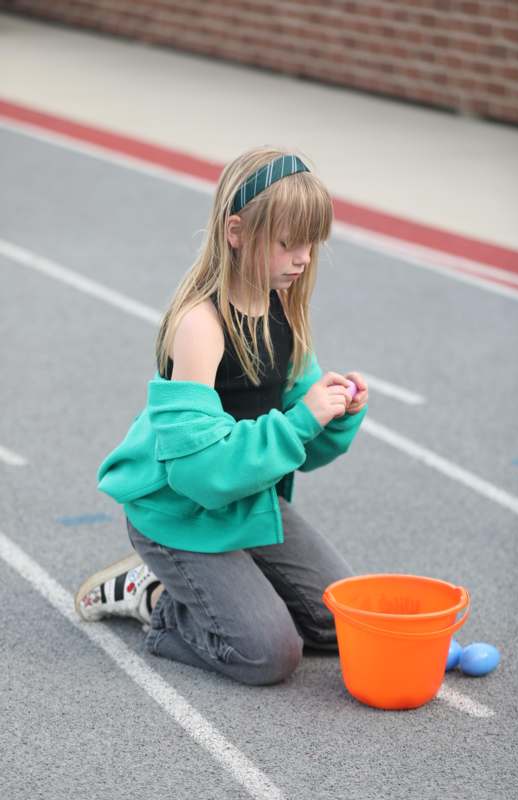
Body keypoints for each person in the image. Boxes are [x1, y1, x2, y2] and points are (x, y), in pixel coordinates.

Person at [75, 146, 369, 686]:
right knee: (269, 653)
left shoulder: (284, 306)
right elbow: (199, 474)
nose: (303, 258)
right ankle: (155, 596)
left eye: (311, 244)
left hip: (247, 501)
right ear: (236, 231)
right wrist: (304, 420)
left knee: (338, 626)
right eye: (288, 243)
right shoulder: (200, 325)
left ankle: (227, 585)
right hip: (181, 512)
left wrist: (339, 412)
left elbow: (307, 449)